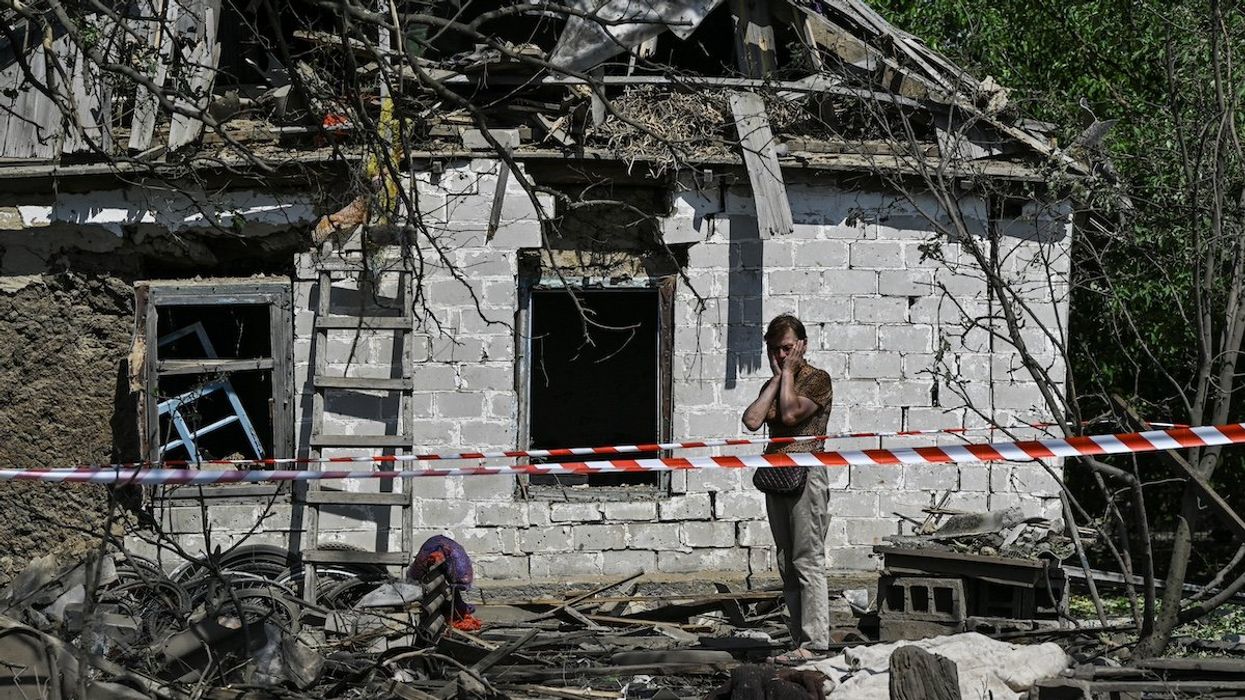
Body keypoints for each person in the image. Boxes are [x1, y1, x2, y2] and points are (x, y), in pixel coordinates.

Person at [741, 314, 834, 664]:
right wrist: (778, 378)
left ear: (802, 346)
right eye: (775, 349)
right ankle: (798, 641)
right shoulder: (776, 380)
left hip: (805, 475)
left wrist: (790, 375)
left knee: (807, 559)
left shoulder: (817, 379)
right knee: (786, 562)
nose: (781, 355)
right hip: (777, 476)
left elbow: (793, 414)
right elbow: (752, 420)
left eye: (787, 348)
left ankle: (815, 643)